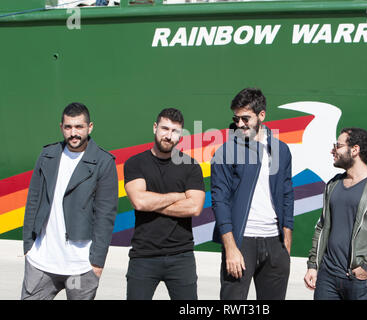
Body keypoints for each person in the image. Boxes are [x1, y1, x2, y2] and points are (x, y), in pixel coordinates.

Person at [21, 102, 118, 300]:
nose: (73, 133)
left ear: (90, 127)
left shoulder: (103, 162)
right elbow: (33, 200)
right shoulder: (47, 155)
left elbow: (105, 215)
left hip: (81, 265)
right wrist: (28, 248)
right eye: (68, 127)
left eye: (79, 127)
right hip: (41, 261)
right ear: (61, 128)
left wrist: (97, 263)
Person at [211, 88, 294, 300]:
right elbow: (219, 201)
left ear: (262, 115)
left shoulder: (281, 150)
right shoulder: (226, 152)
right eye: (236, 119)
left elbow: (286, 193)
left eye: (245, 119)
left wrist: (286, 241)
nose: (239, 124)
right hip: (241, 241)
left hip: (275, 243)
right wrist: (230, 248)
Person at [304, 127, 367, 300]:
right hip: (328, 277)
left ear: (355, 150)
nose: (333, 150)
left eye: (338, 146)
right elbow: (322, 226)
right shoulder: (332, 185)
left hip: (364, 277)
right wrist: (313, 265)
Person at [124, 108, 205, 300]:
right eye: (165, 128)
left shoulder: (190, 166)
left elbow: (194, 207)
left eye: (175, 131)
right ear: (155, 128)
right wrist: (178, 196)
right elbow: (140, 201)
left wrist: (154, 201)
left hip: (181, 256)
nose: (168, 136)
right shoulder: (135, 163)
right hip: (143, 255)